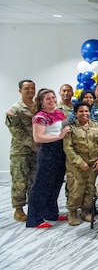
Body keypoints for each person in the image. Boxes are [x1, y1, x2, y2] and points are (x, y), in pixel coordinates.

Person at [26, 88, 71, 228]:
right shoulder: (40, 117)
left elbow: (65, 129)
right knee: (41, 186)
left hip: (60, 151)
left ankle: (51, 213)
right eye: (48, 99)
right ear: (42, 102)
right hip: (47, 152)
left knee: (55, 183)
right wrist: (58, 136)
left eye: (53, 97)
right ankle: (34, 219)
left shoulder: (59, 112)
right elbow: (38, 137)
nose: (52, 100)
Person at [63, 102, 98, 226]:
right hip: (76, 167)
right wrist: (79, 162)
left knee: (90, 190)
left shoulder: (97, 126)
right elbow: (68, 148)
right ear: (76, 114)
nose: (84, 114)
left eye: (86, 111)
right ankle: (72, 213)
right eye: (81, 111)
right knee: (76, 190)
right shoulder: (70, 128)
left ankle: (85, 211)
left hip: (94, 165)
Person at [6, 79, 37, 222]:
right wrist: (31, 143)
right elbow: (15, 130)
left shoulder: (37, 107)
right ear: (20, 91)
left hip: (37, 151)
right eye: (27, 89)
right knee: (20, 181)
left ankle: (33, 207)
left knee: (34, 180)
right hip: (20, 152)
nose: (30, 91)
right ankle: (18, 210)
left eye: (32, 88)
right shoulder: (15, 109)